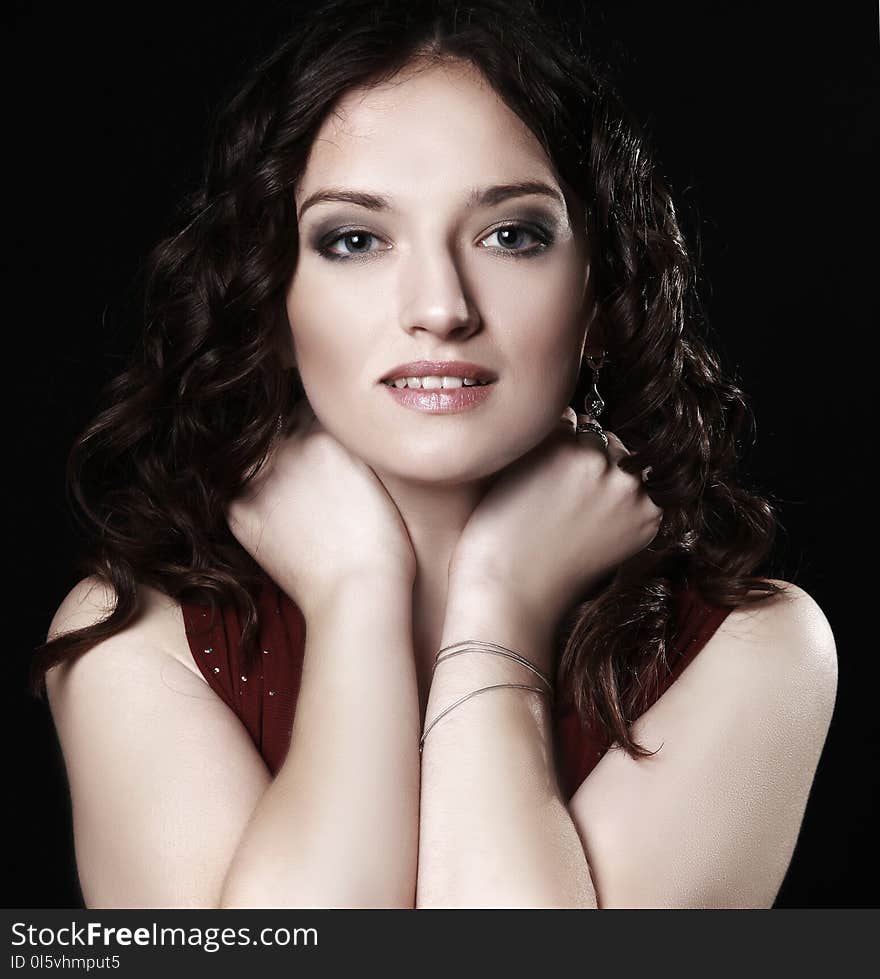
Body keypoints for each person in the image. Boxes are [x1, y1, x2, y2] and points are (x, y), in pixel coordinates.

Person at [32, 0, 837, 909]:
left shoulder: (753, 646)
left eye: (511, 235)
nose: (441, 307)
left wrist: (503, 603)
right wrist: (354, 594)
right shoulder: (137, 632)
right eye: (355, 240)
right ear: (271, 298)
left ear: (602, 293)